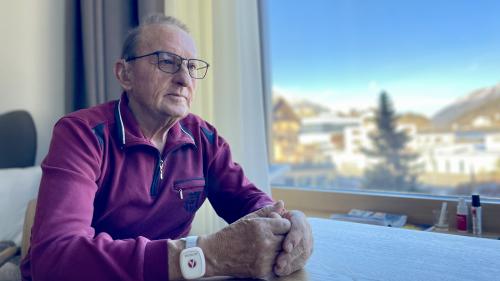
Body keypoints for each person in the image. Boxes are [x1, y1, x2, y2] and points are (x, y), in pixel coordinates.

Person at [20, 14, 312, 281]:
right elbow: (54, 258)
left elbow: (250, 201)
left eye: (192, 66)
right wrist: (202, 254)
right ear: (125, 74)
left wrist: (288, 222)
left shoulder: (205, 138)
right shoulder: (81, 134)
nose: (185, 79)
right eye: (167, 61)